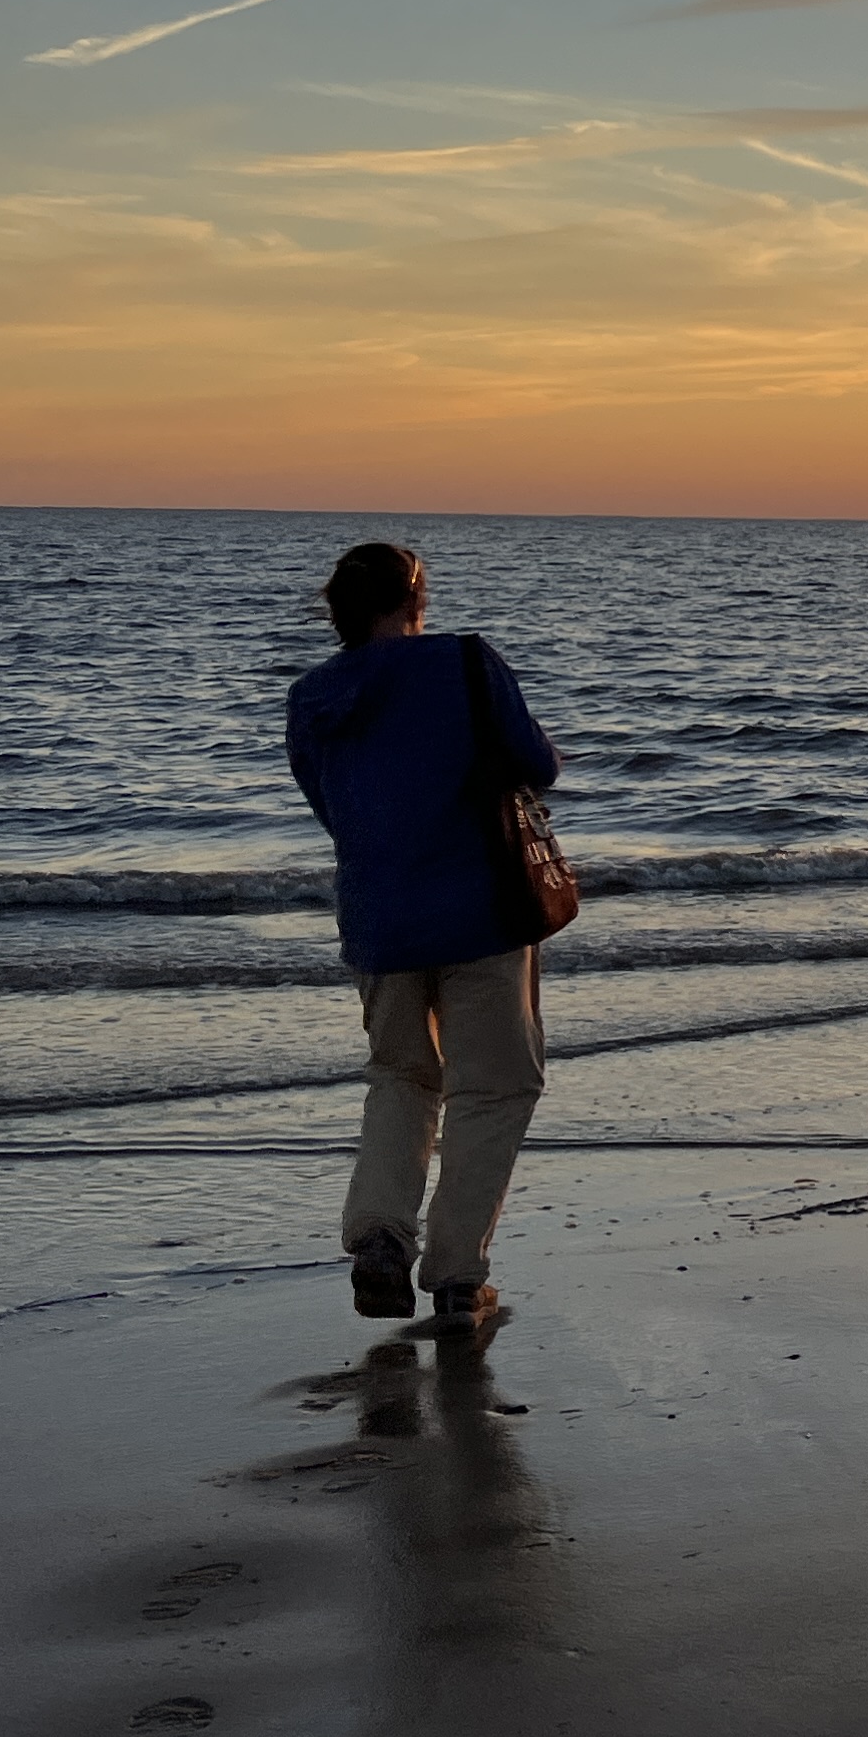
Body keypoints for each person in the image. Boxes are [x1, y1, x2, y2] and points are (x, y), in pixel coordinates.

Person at [284, 542, 561, 1334]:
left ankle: (379, 1234)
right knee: (496, 1083)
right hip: (481, 906)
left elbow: (329, 808)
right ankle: (455, 1273)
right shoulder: (467, 663)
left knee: (400, 1077)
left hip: (378, 914)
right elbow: (535, 764)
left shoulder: (313, 695)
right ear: (415, 596)